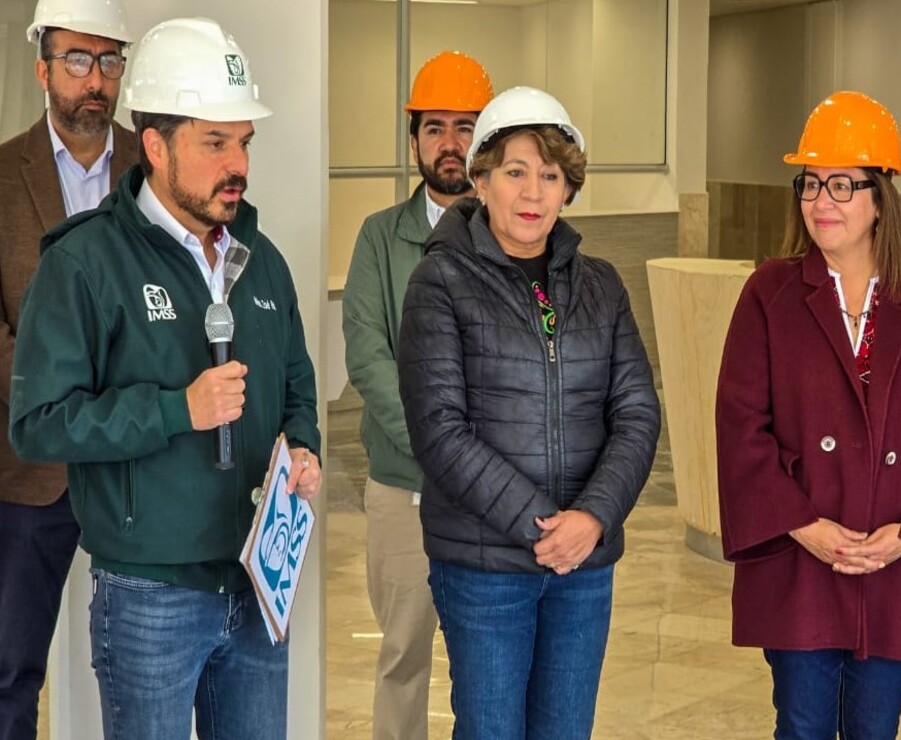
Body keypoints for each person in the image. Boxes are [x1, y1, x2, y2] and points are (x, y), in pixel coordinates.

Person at [8, 17, 322, 740]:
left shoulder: (260, 258)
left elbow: (297, 387)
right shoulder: (83, 263)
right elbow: (40, 423)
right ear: (155, 146)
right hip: (149, 593)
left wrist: (299, 449)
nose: (236, 162)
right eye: (214, 142)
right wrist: (177, 410)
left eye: (243, 140)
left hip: (254, 584)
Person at [715, 90, 901, 739]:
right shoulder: (769, 294)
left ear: (879, 196)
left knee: (875, 728)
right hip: (800, 561)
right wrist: (802, 525)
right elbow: (740, 426)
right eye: (809, 184)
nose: (820, 201)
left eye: (841, 185)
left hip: (894, 570)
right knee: (801, 725)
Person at [396, 85, 661, 739]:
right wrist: (544, 526)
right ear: (480, 179)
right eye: (515, 172)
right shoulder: (440, 282)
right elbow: (439, 430)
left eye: (549, 176)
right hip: (485, 568)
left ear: (568, 189)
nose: (532, 192)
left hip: (582, 567)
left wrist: (592, 518)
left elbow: (636, 412)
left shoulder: (600, 284)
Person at [341, 50, 492, 740]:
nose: (450, 143)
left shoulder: (514, 236)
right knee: (404, 652)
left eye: (466, 126)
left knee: (488, 660)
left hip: (496, 497)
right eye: (435, 127)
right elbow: (368, 358)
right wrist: (441, 453)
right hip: (406, 487)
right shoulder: (380, 237)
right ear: (414, 141)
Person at [0, 0, 136, 736]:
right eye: (79, 61)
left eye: (110, 62)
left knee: (146, 661)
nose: (96, 81)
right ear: (43, 69)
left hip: (143, 466)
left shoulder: (158, 168)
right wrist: (72, 409)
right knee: (10, 666)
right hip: (30, 470)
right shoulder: (0, 176)